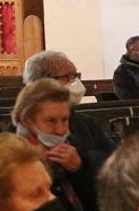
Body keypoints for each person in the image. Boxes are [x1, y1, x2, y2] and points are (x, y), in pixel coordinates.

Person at [22, 49, 115, 200]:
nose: (75, 83)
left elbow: (114, 159)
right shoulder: (19, 131)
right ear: (41, 83)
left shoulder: (85, 123)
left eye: (75, 76)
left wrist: (81, 163)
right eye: (67, 77)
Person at [13, 79, 102, 211]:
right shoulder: (10, 153)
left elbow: (97, 205)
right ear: (26, 121)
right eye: (51, 121)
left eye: (65, 120)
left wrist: (79, 170)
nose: (61, 130)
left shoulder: (72, 145)